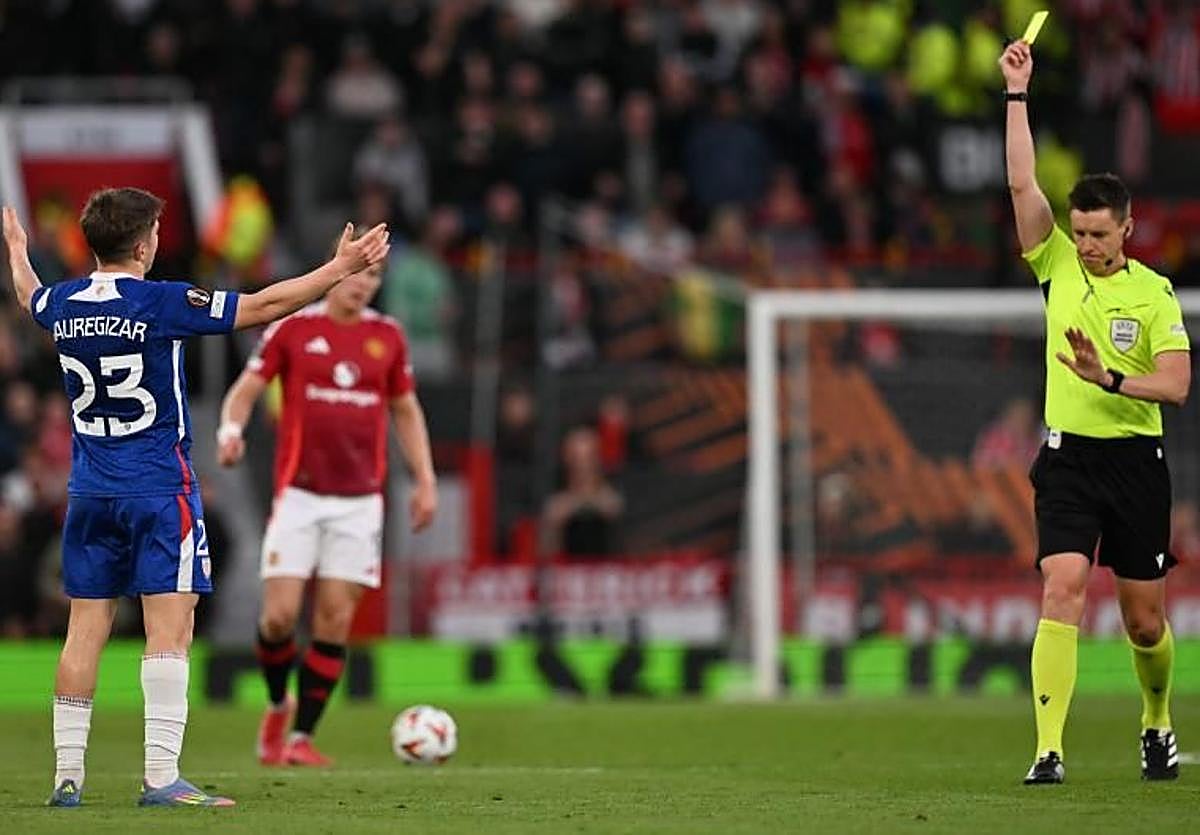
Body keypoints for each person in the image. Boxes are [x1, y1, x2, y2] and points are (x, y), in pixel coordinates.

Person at [1, 189, 389, 807]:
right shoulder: (161, 303)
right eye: (154, 231)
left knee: (84, 630)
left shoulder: (62, 302)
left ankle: (67, 779)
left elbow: (28, 296)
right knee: (169, 630)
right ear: (142, 244)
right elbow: (264, 306)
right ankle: (160, 778)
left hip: (89, 492)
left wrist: (19, 252)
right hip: (158, 491)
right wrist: (340, 269)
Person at [1000, 40, 1191, 786]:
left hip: (1135, 461)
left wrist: (1108, 376)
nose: (1086, 247)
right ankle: (1049, 748)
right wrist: (1017, 92)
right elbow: (1021, 185)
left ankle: (1156, 718)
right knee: (1062, 585)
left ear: (1128, 230)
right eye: (1079, 234)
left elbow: (1175, 385)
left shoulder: (1154, 292)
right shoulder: (1055, 265)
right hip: (1069, 459)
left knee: (1144, 621)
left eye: (1099, 236)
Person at [216, 229, 437, 767]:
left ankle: (301, 739)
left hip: (360, 502)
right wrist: (229, 429)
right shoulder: (294, 328)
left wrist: (425, 479)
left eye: (375, 276)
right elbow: (246, 389)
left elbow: (405, 410)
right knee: (278, 618)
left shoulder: (388, 337)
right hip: (299, 496)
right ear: (337, 267)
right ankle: (276, 703)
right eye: (359, 271)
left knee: (334, 620)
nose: (364, 285)